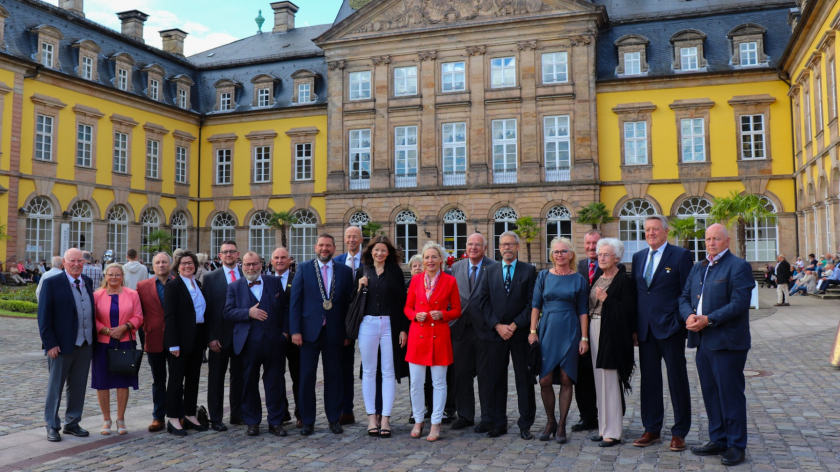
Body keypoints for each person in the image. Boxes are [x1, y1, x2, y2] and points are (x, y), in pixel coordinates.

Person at [679, 224, 754, 466]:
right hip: (703, 342)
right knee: (710, 393)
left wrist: (709, 319)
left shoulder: (738, 266)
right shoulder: (699, 266)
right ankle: (718, 439)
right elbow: (683, 297)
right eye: (708, 239)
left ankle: (735, 445)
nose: (711, 243)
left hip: (727, 342)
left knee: (730, 395)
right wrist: (688, 316)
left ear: (727, 241)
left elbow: (740, 303)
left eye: (716, 239)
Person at [631, 215, 693, 452]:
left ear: (666, 231)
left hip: (671, 328)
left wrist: (679, 320)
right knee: (649, 381)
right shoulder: (638, 258)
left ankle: (679, 432)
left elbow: (687, 291)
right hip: (645, 330)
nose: (651, 233)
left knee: (677, 380)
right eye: (647, 230)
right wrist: (635, 327)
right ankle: (652, 429)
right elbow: (639, 295)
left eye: (656, 229)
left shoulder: (680, 255)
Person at [290, 234, 355, 436]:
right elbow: (295, 302)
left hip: (334, 332)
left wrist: (347, 332)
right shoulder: (304, 268)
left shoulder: (344, 271)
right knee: (307, 377)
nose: (324, 249)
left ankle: (334, 419)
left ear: (334, 248)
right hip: (308, 332)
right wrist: (295, 330)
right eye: (321, 245)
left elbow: (347, 305)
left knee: (334, 377)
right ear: (315, 247)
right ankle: (308, 420)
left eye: (328, 245)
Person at [476, 231, 537, 439]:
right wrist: (497, 325)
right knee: (495, 380)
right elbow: (483, 301)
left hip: (520, 334)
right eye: (503, 245)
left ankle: (525, 424)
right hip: (496, 335)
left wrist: (513, 325)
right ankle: (498, 422)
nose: (507, 248)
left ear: (518, 247)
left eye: (510, 244)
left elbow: (532, 303)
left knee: (524, 379)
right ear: (498, 248)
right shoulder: (489, 271)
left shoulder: (529, 271)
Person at [529, 237, 589, 445]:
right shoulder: (544, 276)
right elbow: (536, 304)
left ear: (571, 254)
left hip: (571, 328)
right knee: (544, 379)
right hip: (548, 329)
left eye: (563, 251)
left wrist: (584, 337)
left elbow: (583, 310)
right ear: (551, 255)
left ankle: (562, 425)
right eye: (556, 252)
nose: (559, 255)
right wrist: (532, 331)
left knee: (566, 378)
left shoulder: (579, 279)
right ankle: (550, 422)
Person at [223, 251, 289, 437]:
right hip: (248, 343)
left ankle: (276, 421)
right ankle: (252, 422)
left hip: (274, 341)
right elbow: (227, 312)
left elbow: (285, 308)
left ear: (261, 264)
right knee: (249, 383)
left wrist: (284, 333)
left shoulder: (273, 282)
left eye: (254, 264)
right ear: (241, 265)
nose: (251, 268)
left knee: (275, 382)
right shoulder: (234, 287)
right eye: (247, 265)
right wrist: (247, 313)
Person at [405, 241, 461, 441]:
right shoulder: (416, 280)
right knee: (416, 384)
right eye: (427, 257)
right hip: (418, 336)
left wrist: (443, 315)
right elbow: (407, 307)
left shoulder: (449, 281)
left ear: (441, 260)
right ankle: (419, 420)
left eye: (434, 257)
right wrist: (414, 315)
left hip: (439, 335)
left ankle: (436, 423)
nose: (430, 261)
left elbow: (456, 310)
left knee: (439, 382)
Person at [353, 235, 409, 438]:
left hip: (390, 325)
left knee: (388, 371)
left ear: (388, 253)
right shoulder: (362, 270)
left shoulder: (395, 271)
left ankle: (385, 418)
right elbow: (353, 301)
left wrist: (404, 328)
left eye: (383, 250)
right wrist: (359, 286)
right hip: (368, 323)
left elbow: (404, 301)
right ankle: (371, 418)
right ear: (371, 252)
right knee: (368, 371)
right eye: (376, 250)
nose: (379, 253)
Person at [38, 248, 95, 442]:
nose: (77, 264)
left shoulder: (87, 282)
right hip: (60, 346)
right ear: (64, 262)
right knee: (56, 387)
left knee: (78, 387)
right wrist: (50, 344)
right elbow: (43, 317)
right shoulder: (52, 283)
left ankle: (72, 423)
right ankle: (52, 425)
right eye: (72, 261)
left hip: (85, 343)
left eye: (80, 261)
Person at [587, 238, 637, 447]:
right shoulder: (598, 277)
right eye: (599, 254)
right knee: (599, 381)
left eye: (606, 254)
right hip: (595, 328)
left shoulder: (623, 280)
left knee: (610, 379)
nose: (601, 258)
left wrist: (608, 300)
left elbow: (629, 310)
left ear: (617, 257)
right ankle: (603, 427)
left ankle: (614, 431)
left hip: (612, 333)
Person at [449, 233, 497, 431]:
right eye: (470, 244)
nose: (473, 248)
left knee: (486, 375)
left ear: (485, 248)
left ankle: (487, 417)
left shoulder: (493, 267)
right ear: (465, 247)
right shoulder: (456, 267)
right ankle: (465, 415)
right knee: (461, 374)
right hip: (460, 328)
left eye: (478, 245)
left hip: (484, 328)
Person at [92, 263, 144, 435]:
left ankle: (120, 419)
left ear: (122, 276)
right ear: (105, 276)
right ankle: (106, 419)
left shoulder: (133, 294)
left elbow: (139, 316)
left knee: (122, 382)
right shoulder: (96, 295)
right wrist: (107, 331)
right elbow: (92, 318)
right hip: (103, 342)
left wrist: (124, 327)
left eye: (117, 274)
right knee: (102, 381)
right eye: (110, 274)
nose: (114, 277)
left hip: (125, 340)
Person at [164, 251, 209, 436]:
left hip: (197, 337)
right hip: (179, 340)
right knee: (176, 380)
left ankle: (190, 413)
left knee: (193, 378)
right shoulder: (173, 286)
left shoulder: (197, 284)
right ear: (177, 266)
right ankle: (173, 417)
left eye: (190, 263)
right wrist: (173, 344)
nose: (187, 266)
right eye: (183, 264)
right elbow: (170, 316)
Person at [201, 240, 245, 431]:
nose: (228, 255)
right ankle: (216, 417)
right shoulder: (211, 278)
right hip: (219, 338)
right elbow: (207, 311)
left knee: (240, 377)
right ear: (219, 256)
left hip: (242, 337)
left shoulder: (246, 275)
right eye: (225, 252)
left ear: (238, 255)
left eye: (232, 252)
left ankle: (237, 414)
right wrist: (210, 337)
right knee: (216, 379)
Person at [572, 229, 607, 433]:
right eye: (588, 243)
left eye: (596, 243)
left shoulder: (614, 266)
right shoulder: (579, 266)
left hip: (604, 329)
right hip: (581, 329)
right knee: (583, 375)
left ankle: (607, 417)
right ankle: (587, 417)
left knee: (605, 375)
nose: (592, 247)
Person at [137, 252, 175, 432]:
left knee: (176, 379)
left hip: (176, 339)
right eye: (158, 262)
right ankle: (158, 416)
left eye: (164, 262)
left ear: (170, 264)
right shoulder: (142, 286)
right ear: (152, 266)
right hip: (153, 338)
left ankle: (177, 414)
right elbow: (138, 313)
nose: (161, 265)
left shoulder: (179, 283)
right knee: (158, 380)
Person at [334, 225, 364, 425]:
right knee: (343, 367)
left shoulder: (369, 260)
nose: (351, 239)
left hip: (368, 318)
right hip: (344, 321)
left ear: (361, 239)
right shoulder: (337, 261)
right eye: (348, 236)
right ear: (344, 240)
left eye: (355, 236)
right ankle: (346, 410)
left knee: (371, 368)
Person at [272, 247, 301, 427]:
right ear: (271, 261)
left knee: (298, 376)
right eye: (277, 258)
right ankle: (282, 412)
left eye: (284, 258)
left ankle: (301, 413)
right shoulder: (266, 280)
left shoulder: (298, 278)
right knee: (276, 376)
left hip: (295, 336)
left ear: (290, 260)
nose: (280, 260)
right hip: (274, 337)